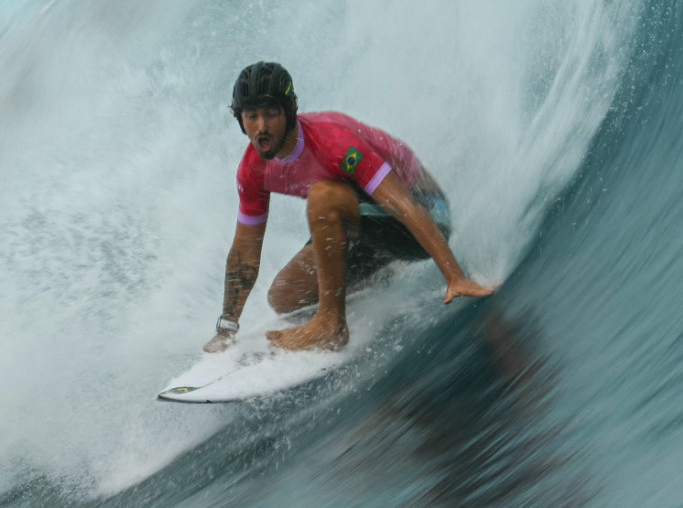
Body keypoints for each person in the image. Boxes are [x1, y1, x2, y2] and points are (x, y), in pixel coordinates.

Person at [204, 62, 494, 354]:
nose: (262, 127)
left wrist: (455, 276)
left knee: (323, 196)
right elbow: (245, 252)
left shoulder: (332, 142)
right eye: (251, 116)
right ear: (240, 119)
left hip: (425, 213)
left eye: (271, 114)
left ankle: (331, 325)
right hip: (366, 228)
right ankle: (378, 280)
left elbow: (405, 205)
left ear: (288, 111)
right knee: (285, 296)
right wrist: (226, 329)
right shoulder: (253, 170)